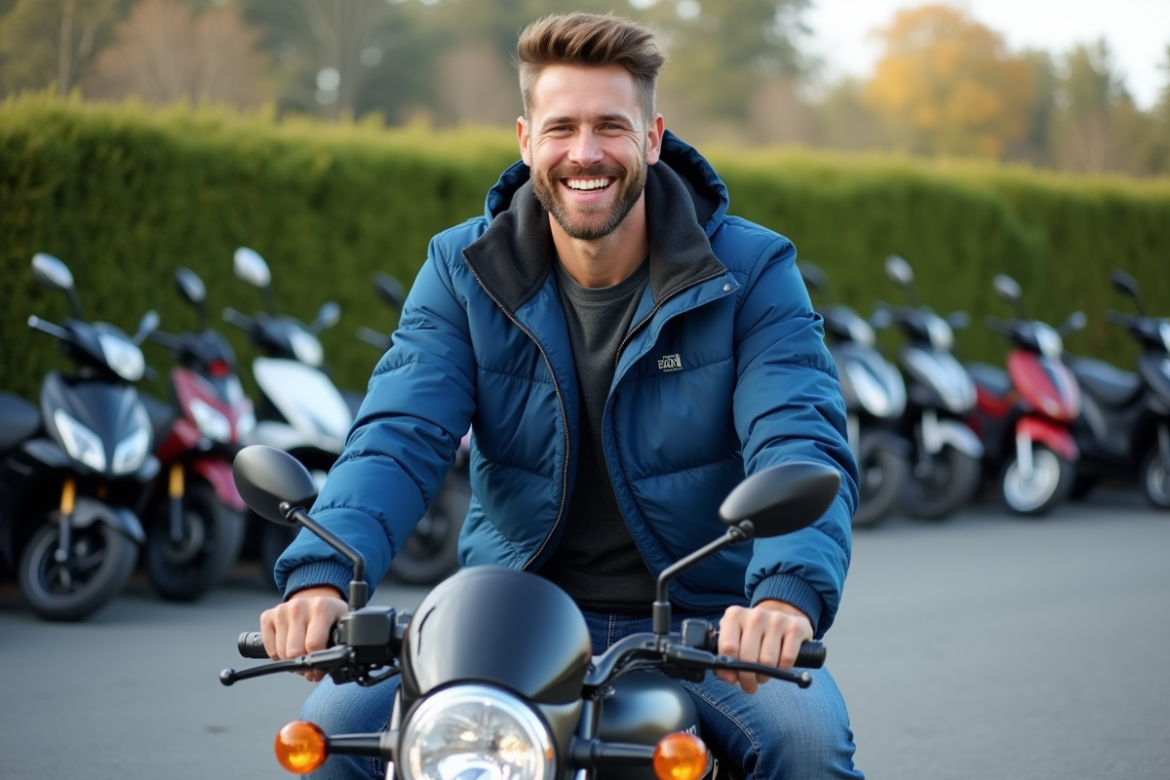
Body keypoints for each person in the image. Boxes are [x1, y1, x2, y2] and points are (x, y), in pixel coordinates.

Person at [259, 12, 863, 780]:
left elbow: (799, 436)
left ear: (651, 137)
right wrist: (321, 576)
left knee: (807, 745)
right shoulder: (461, 269)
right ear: (525, 140)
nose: (585, 153)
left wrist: (782, 598)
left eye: (611, 126)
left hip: (702, 623)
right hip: (506, 616)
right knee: (331, 735)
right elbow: (400, 433)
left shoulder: (751, 269)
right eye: (561, 127)